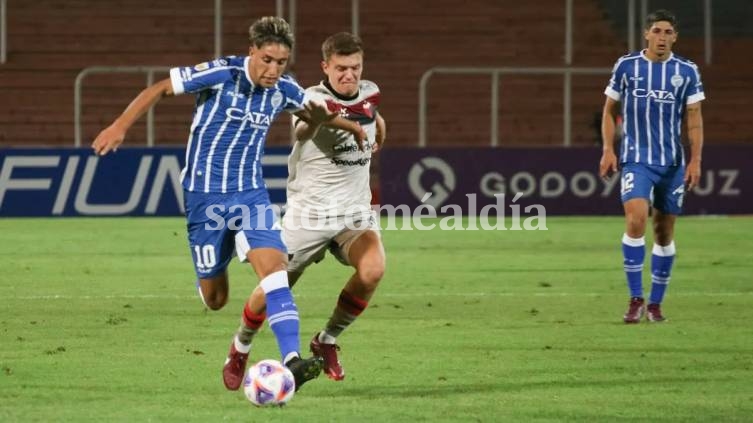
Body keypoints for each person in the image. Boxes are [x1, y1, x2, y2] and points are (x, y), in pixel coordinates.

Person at [92, 17, 366, 391]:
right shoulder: (222, 73)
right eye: (267, 60)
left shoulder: (284, 89)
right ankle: (216, 298)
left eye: (281, 62)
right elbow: (159, 88)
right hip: (204, 200)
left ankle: (290, 361)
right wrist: (120, 126)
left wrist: (359, 128)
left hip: (250, 194)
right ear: (252, 52)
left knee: (275, 272)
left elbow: (319, 110)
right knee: (215, 298)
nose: (274, 70)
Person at [236, 32, 386, 381]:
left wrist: (380, 131)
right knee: (275, 288)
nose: (349, 75)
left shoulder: (370, 91)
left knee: (373, 270)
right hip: (310, 215)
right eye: (341, 69)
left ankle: (326, 340)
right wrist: (318, 119)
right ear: (325, 67)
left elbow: (374, 115)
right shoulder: (310, 99)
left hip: (354, 214)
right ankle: (240, 347)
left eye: (355, 68)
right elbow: (302, 132)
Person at [599, 10, 705, 323]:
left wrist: (696, 159)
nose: (662, 37)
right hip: (636, 159)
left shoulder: (686, 71)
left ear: (675, 37)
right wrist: (608, 149)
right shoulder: (627, 66)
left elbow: (695, 119)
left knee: (663, 232)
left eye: (668, 32)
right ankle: (635, 299)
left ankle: (656, 304)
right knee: (636, 219)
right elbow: (608, 110)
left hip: (672, 162)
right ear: (646, 34)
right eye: (656, 31)